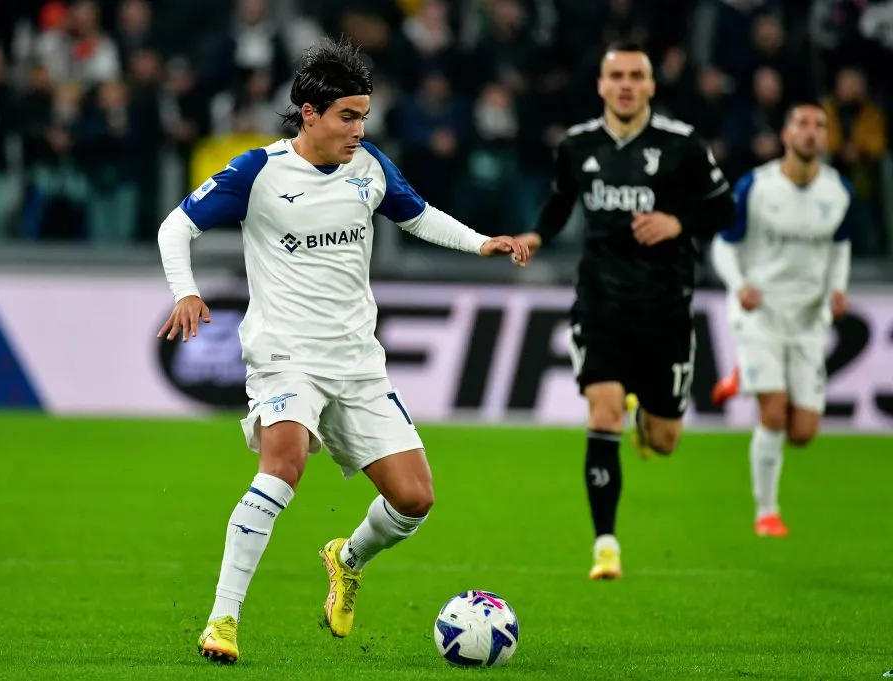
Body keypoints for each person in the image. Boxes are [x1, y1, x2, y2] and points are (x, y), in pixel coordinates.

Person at [155, 37, 528, 663]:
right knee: (282, 466)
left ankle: (347, 557)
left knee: (415, 499)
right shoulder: (259, 172)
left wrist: (481, 242)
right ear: (309, 114)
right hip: (285, 355)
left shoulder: (369, 167)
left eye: (364, 117)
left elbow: (417, 215)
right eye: (348, 117)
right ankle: (223, 619)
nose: (359, 129)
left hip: (356, 361)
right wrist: (185, 292)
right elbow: (177, 226)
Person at [516, 41, 735, 580]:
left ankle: (647, 421)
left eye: (637, 75)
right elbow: (561, 200)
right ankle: (606, 545)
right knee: (603, 411)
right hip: (601, 304)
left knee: (664, 441)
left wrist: (678, 223)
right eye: (617, 76)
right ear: (601, 85)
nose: (626, 85)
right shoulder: (577, 145)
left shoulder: (682, 144)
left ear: (652, 85)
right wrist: (537, 235)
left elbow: (724, 207)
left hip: (666, 308)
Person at [710, 103, 852, 538]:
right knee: (772, 415)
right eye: (802, 124)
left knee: (803, 432)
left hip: (808, 319)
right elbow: (723, 244)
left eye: (819, 125)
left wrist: (838, 287)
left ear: (826, 136)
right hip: (761, 314)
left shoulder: (838, 190)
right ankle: (766, 512)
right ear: (786, 135)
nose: (811, 132)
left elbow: (839, 245)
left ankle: (741, 377)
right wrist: (739, 286)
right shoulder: (757, 186)